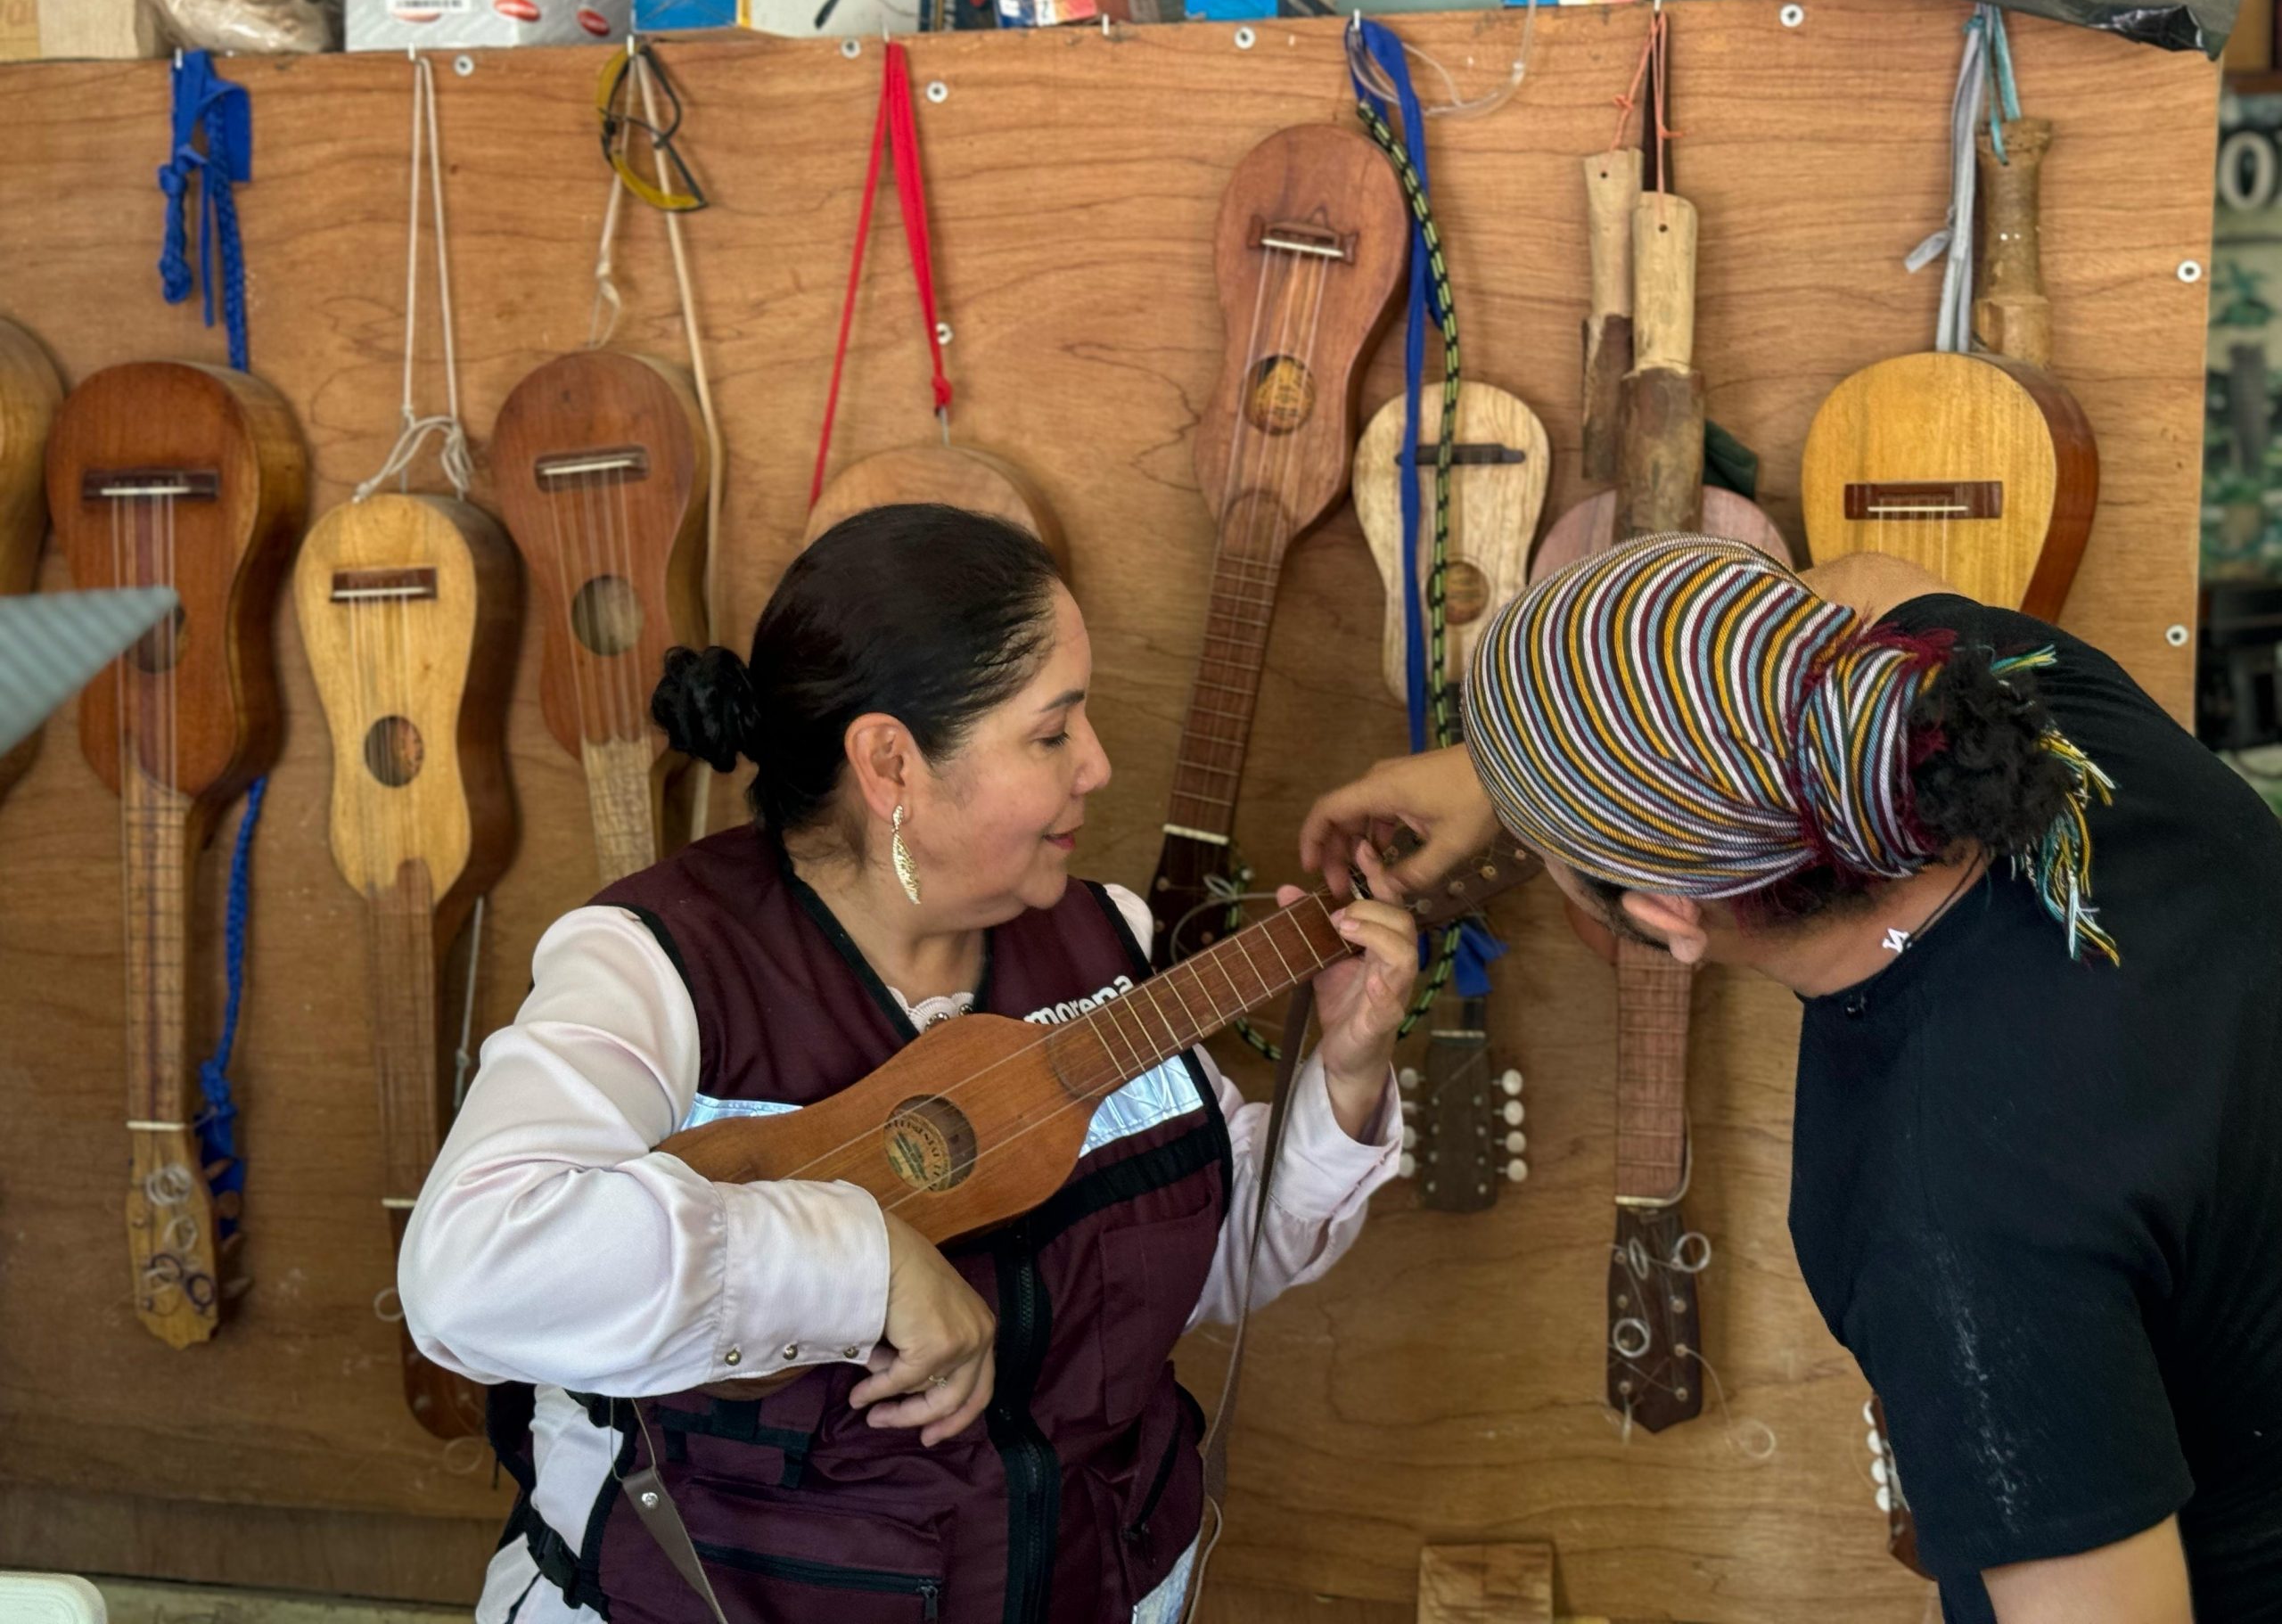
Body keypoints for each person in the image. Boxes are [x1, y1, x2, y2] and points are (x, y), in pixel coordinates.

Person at [401, 504, 1416, 1624]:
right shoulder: (658, 969)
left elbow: (1207, 1262)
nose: (1098, 765)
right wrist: (862, 1263)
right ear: (890, 761)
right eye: (1050, 732)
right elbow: (469, 1274)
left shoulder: (1102, 940)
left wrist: (1349, 1073)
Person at [1301, 534, 2282, 1624]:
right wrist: (1509, 766)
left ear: (1668, 918)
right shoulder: (2020, 699)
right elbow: (1855, 581)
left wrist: (1539, 776)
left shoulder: (1941, 1209)